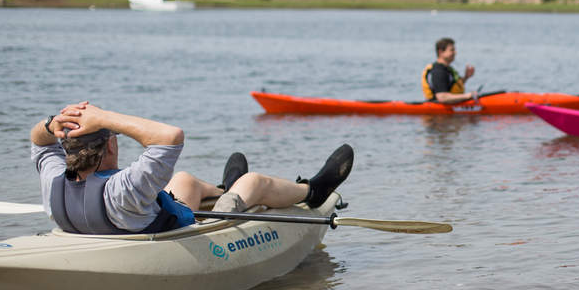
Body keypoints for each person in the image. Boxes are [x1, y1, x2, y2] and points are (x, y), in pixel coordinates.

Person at [31, 101, 354, 235]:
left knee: (183, 178)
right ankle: (313, 191)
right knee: (254, 182)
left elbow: (40, 141)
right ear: (112, 145)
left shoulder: (53, 178)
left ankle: (226, 188)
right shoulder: (126, 185)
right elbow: (170, 137)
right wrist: (103, 118)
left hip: (148, 214)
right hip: (185, 228)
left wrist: (52, 122)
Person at [421, 37, 479, 105]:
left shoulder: (447, 69)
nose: (455, 52)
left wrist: (466, 77)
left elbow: (450, 86)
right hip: (439, 112)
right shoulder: (438, 71)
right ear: (441, 52)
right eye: (452, 50)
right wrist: (468, 96)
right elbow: (442, 97)